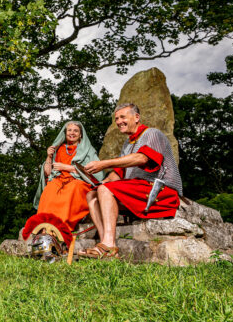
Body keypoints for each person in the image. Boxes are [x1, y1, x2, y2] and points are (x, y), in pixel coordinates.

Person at [79, 103, 182, 259]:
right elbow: (119, 173)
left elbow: (143, 158)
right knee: (92, 195)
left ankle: (108, 245)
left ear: (137, 117)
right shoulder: (128, 144)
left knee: (105, 190)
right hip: (138, 189)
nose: (119, 121)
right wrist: (101, 182)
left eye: (122, 117)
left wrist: (103, 163)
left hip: (160, 190)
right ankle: (106, 244)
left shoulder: (152, 134)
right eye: (116, 119)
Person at [25, 121, 104, 238]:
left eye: (76, 131)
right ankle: (43, 228)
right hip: (59, 180)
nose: (72, 133)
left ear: (81, 134)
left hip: (79, 181)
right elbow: (48, 172)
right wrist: (49, 156)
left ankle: (60, 227)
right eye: (69, 130)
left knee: (73, 188)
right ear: (65, 133)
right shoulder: (59, 149)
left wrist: (68, 168)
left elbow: (95, 173)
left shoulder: (88, 150)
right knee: (49, 190)